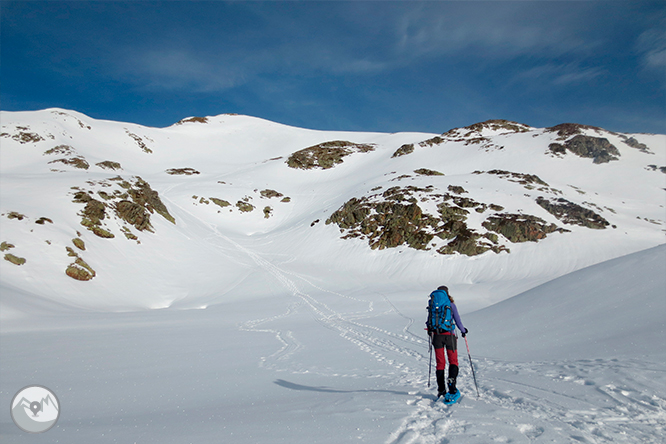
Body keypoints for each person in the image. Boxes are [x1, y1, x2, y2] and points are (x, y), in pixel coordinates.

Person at [427, 285, 468, 402]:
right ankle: (452, 386)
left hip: (436, 337)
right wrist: (463, 331)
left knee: (440, 363)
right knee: (453, 361)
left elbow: (428, 321)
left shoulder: (433, 305)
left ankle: (441, 389)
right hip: (449, 336)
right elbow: (458, 320)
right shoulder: (451, 305)